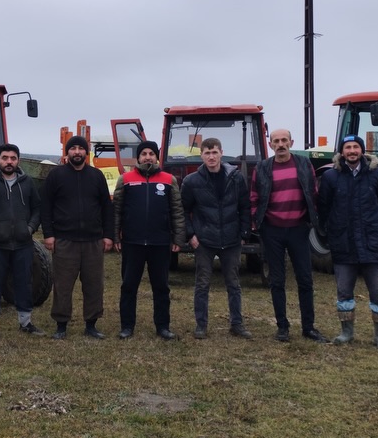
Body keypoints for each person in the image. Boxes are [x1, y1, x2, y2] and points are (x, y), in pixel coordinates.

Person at [318, 134, 378, 350]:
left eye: (355, 147)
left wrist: (374, 225)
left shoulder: (376, 174)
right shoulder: (331, 177)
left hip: (373, 242)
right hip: (344, 243)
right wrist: (334, 229)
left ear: (362, 150)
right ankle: (346, 332)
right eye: (348, 147)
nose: (352, 151)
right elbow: (324, 207)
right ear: (341, 152)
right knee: (344, 291)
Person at [250, 128, 327, 343]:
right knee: (277, 281)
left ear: (291, 142)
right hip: (272, 231)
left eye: (284, 140)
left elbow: (313, 193)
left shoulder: (304, 164)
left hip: (298, 229)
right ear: (270, 145)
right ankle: (282, 327)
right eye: (276, 141)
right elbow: (254, 197)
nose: (281, 144)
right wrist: (257, 222)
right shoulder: (262, 168)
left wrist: (312, 219)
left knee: (305, 280)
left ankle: (308, 327)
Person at [41, 134, 115, 340]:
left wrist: (108, 235)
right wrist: (49, 235)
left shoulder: (96, 176)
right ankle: (61, 325)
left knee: (94, 285)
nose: (77, 152)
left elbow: (106, 207)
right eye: (73, 148)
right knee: (63, 285)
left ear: (86, 152)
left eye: (80, 149)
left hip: (93, 241)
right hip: (65, 240)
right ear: (67, 153)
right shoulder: (56, 176)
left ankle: (91, 324)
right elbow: (45, 206)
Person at [181, 137, 253, 339]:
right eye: (207, 153)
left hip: (231, 240)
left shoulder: (236, 178)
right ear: (201, 155)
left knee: (234, 284)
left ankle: (237, 324)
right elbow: (183, 210)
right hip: (204, 241)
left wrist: (244, 233)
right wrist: (190, 234)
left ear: (221, 153)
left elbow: (244, 207)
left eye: (214, 152)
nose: (211, 157)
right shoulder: (191, 181)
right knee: (202, 284)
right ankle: (201, 325)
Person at [113, 140, 185, 340]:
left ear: (156, 157)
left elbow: (177, 211)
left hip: (160, 243)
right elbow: (117, 210)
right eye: (143, 153)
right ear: (138, 157)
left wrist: (178, 237)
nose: (147, 157)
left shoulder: (169, 180)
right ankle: (127, 326)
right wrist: (115, 235)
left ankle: (163, 326)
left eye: (151, 154)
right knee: (129, 286)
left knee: (161, 287)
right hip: (132, 242)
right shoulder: (125, 179)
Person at [0, 142, 43, 339]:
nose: (9, 162)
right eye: (5, 158)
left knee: (24, 282)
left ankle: (25, 322)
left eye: (13, 158)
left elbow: (38, 209)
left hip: (23, 243)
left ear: (18, 160)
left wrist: (30, 228)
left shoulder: (28, 183)